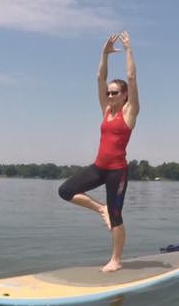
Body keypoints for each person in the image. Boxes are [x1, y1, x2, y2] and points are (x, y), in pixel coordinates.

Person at [58, 31, 139, 272]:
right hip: (99, 167)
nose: (110, 95)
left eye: (115, 92)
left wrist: (128, 50)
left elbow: (132, 77)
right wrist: (104, 54)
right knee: (65, 191)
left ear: (124, 95)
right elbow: (99, 78)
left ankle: (116, 259)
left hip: (117, 171)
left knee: (116, 215)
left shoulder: (129, 112)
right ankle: (99, 208)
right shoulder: (106, 110)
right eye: (109, 92)